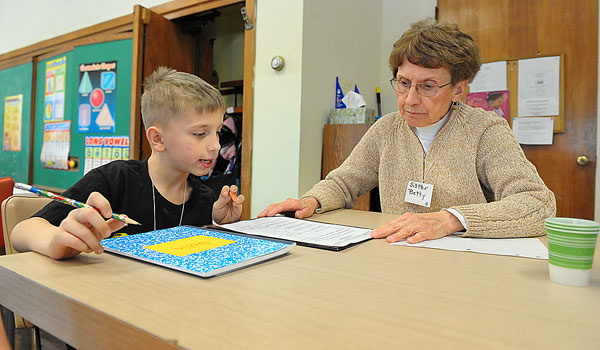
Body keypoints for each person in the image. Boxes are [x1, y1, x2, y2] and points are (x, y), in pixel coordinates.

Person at [259, 18, 556, 244]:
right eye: (403, 83)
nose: (410, 99)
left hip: (467, 262)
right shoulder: (386, 129)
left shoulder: (485, 130)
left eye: (427, 86)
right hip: (399, 254)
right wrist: (311, 201)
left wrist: (450, 219)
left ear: (458, 90)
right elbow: (344, 182)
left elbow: (537, 204)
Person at [12, 67, 244, 259]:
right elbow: (21, 232)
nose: (215, 145)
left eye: (217, 132)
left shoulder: (204, 197)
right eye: (200, 133)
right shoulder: (115, 179)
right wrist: (56, 241)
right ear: (158, 139)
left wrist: (219, 224)